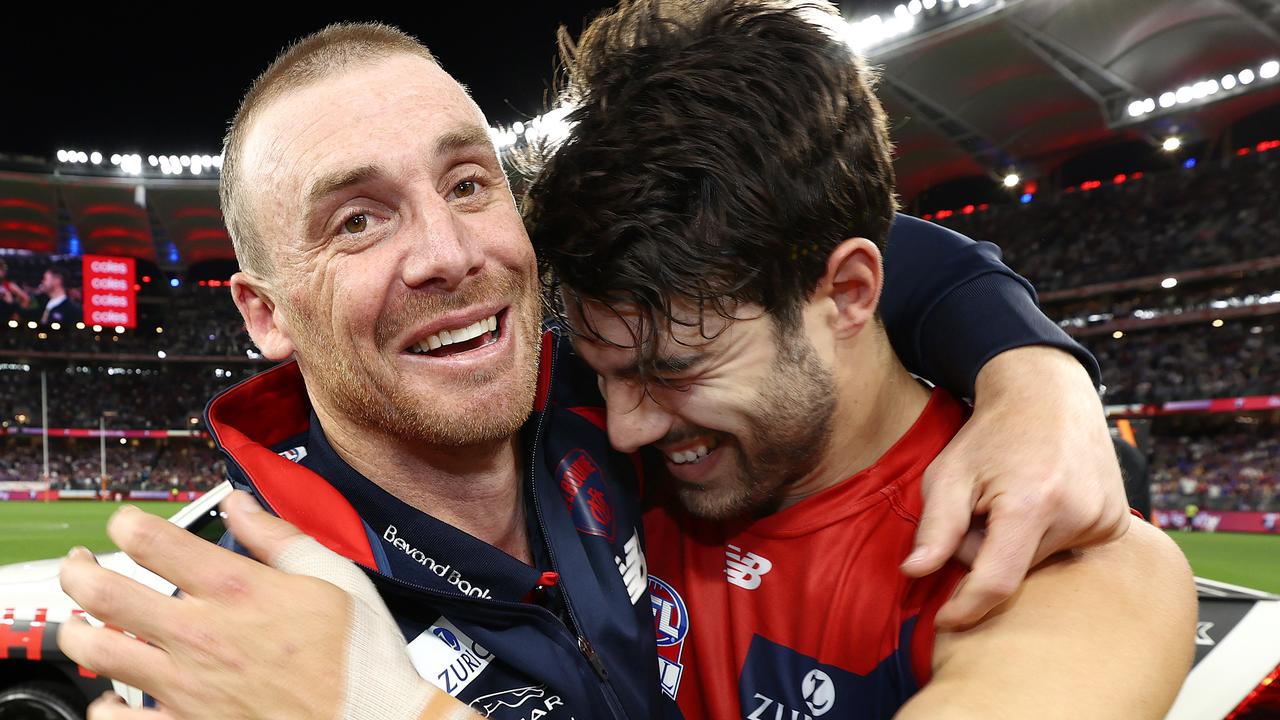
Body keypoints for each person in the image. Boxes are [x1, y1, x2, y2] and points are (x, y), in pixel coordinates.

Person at [60, 16, 1129, 720]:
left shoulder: (623, 386)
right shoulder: (220, 633)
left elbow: (813, 249)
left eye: (470, 183)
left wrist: (1029, 367)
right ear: (263, 313)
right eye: (358, 219)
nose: (448, 253)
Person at [523, 1, 1195, 716]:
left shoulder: (1036, 562)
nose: (625, 428)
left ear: (848, 294)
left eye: (676, 369)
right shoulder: (596, 448)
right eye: (606, 372)